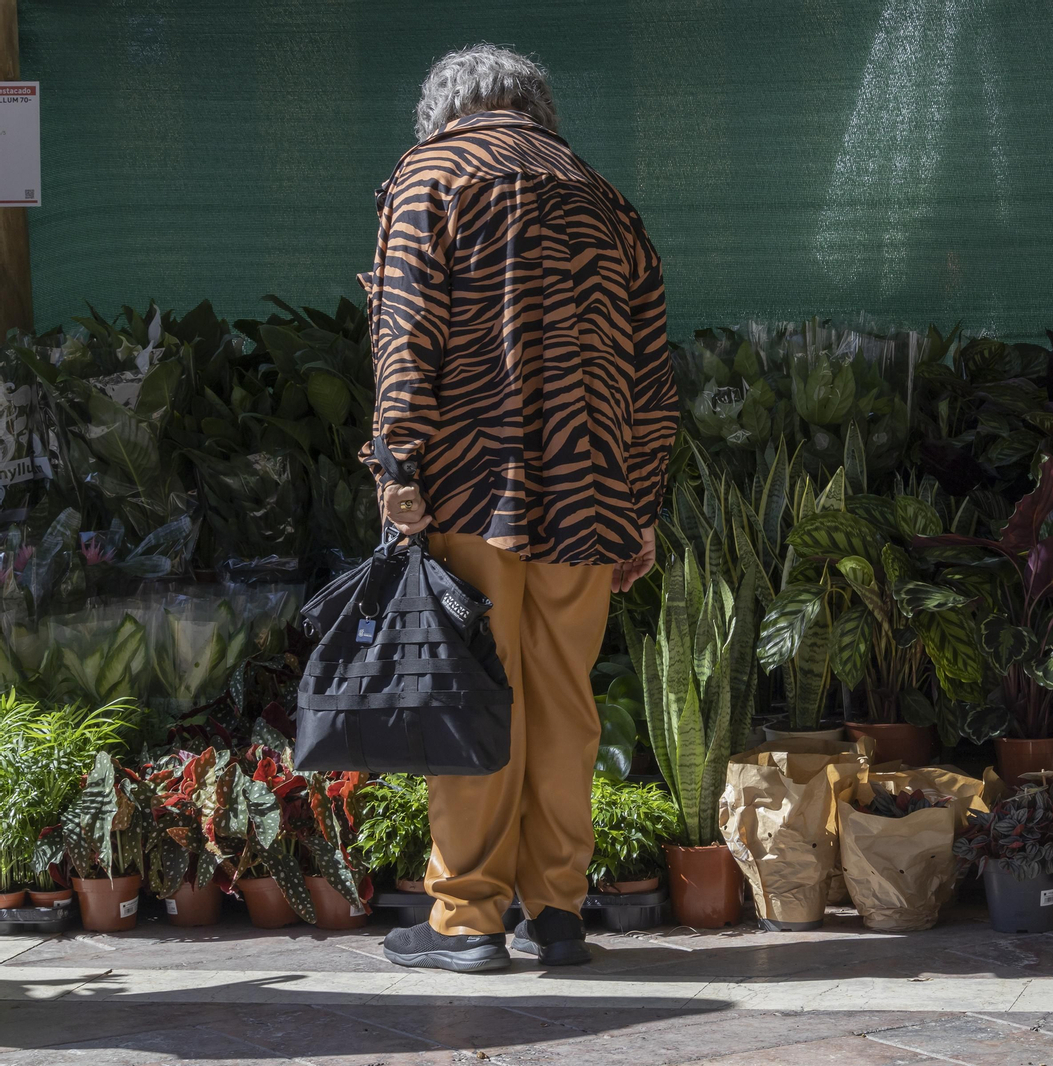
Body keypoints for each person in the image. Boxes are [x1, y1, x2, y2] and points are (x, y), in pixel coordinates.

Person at [362, 43, 677, 973]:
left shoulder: (432, 174)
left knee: (471, 693)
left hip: (467, 485)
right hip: (587, 495)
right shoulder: (600, 193)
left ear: (444, 111)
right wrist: (641, 506)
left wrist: (397, 465)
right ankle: (558, 912)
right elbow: (651, 368)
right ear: (536, 107)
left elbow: (406, 330)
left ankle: (465, 918)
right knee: (563, 700)